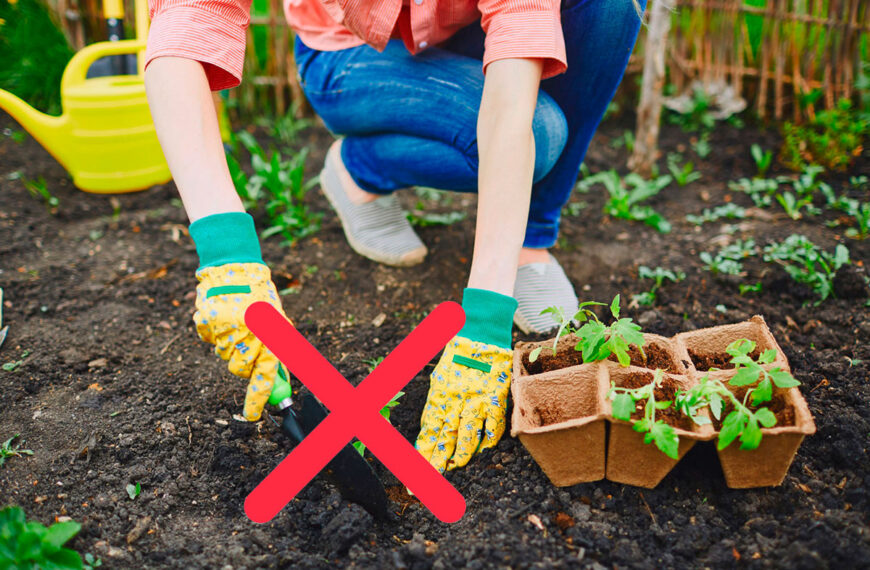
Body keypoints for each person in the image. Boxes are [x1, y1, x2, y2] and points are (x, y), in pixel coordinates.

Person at [143, 0, 645, 473]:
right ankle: (359, 170)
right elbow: (186, 23)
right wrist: (225, 251)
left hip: (463, 37)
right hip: (348, 55)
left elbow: (512, 88)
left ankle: (526, 240)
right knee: (544, 130)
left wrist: (485, 318)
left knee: (601, 21)